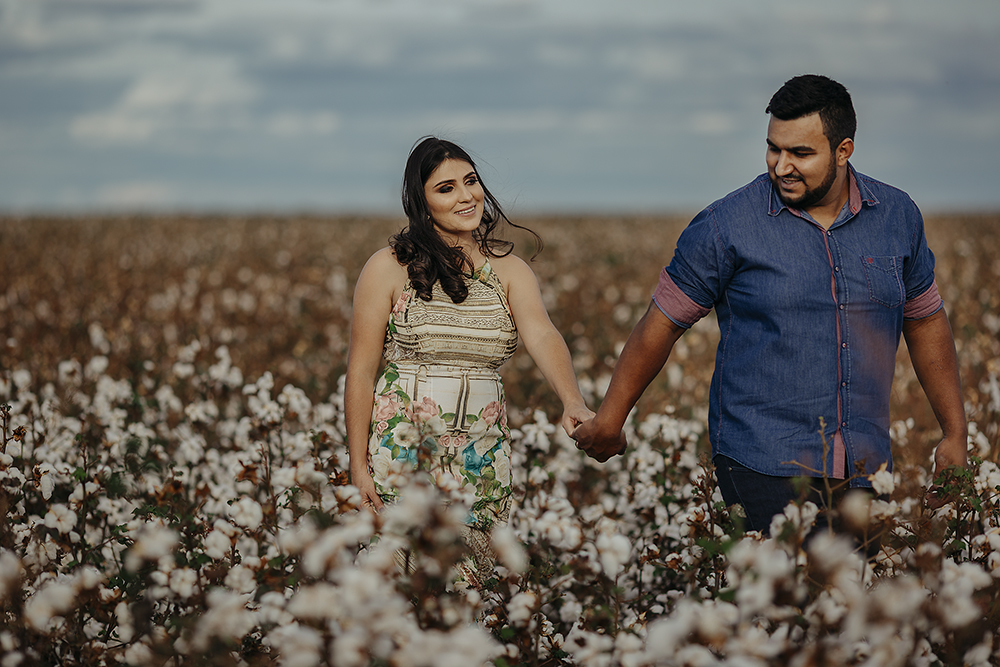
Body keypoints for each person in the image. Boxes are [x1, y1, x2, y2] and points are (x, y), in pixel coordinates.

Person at [572, 74, 967, 536]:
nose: (781, 166)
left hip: (864, 463)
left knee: (851, 600)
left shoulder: (898, 217)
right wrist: (611, 420)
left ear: (844, 151)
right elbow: (661, 323)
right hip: (761, 458)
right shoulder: (727, 225)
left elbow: (924, 322)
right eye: (773, 148)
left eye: (800, 153)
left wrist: (955, 433)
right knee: (795, 598)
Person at [346, 136, 594, 583]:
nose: (466, 196)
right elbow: (361, 372)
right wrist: (358, 467)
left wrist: (572, 400)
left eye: (471, 181)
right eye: (445, 188)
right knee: (398, 597)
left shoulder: (510, 271)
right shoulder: (386, 267)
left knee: (472, 597)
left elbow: (542, 333)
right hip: (400, 461)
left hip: (481, 461)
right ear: (420, 203)